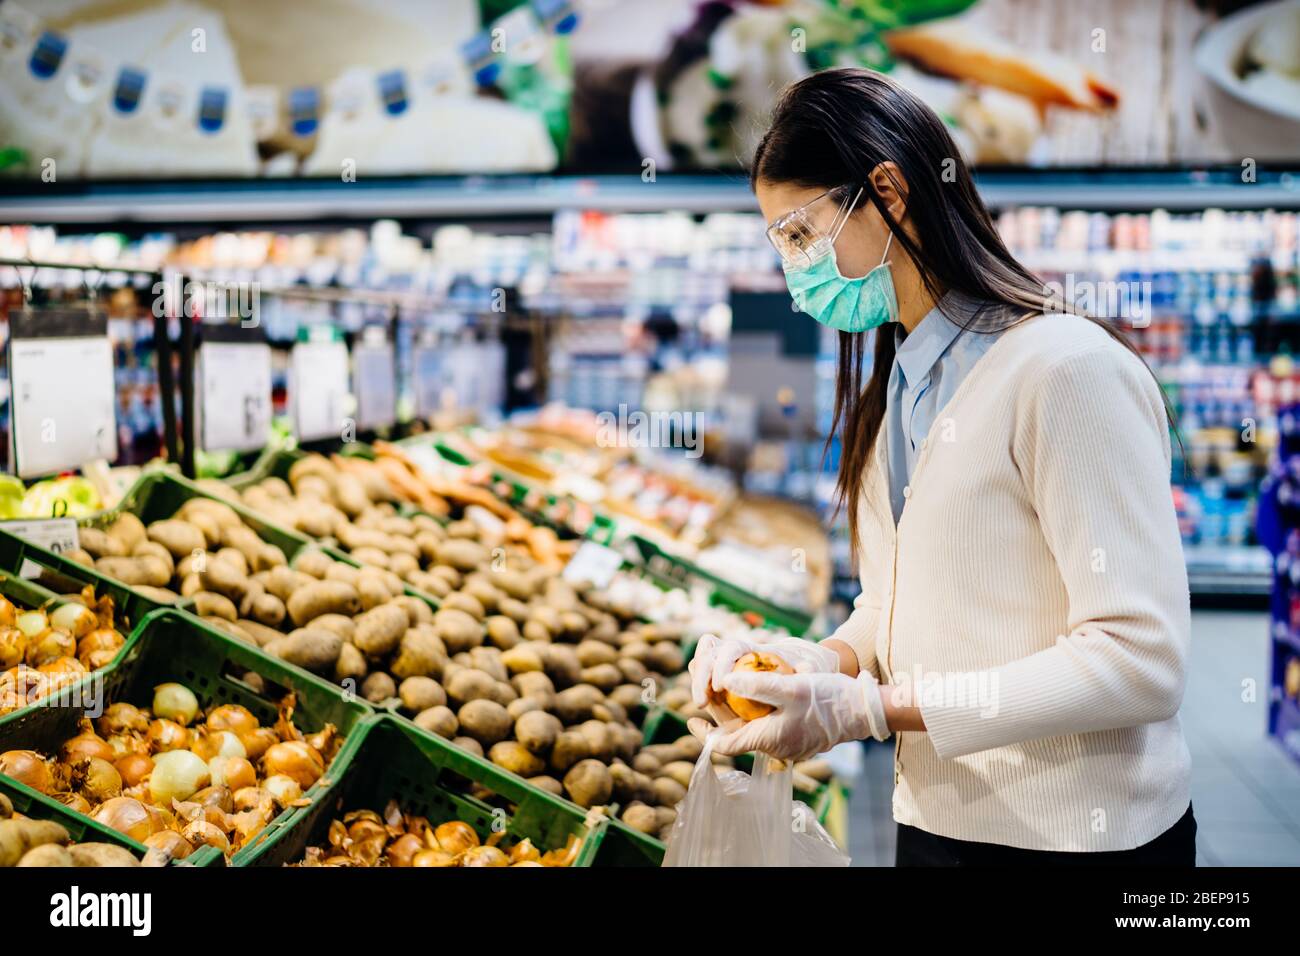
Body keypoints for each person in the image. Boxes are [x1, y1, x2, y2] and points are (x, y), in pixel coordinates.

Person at [688, 68, 1195, 866]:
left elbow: (1140, 661)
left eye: (798, 233)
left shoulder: (1065, 371)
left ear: (886, 192)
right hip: (934, 823)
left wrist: (873, 709)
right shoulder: (902, 382)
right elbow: (897, 607)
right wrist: (815, 664)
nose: (793, 275)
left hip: (1070, 839)